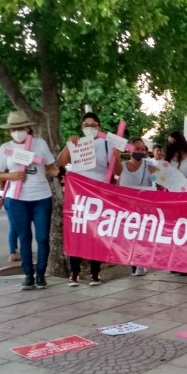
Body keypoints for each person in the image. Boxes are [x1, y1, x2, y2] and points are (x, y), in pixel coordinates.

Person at [0, 110, 58, 290]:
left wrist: (64, 174)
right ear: (9, 131)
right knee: (24, 237)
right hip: (17, 199)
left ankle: (41, 275)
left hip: (41, 198)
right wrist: (12, 175)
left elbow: (50, 168)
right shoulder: (6, 148)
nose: (18, 131)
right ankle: (28, 275)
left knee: (43, 238)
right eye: (14, 129)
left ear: (28, 127)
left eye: (21, 127)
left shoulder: (40, 144)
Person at [57, 112, 116, 286]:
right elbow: (61, 161)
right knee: (77, 231)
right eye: (86, 125)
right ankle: (74, 272)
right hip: (78, 195)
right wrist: (69, 145)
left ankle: (95, 273)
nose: (89, 128)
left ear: (100, 127)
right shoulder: (77, 143)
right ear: (82, 127)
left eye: (93, 125)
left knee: (96, 233)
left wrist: (116, 157)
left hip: (98, 195)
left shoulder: (107, 144)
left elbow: (116, 170)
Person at [118, 137, 155, 276]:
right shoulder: (121, 166)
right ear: (129, 149)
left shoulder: (150, 166)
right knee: (128, 236)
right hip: (126, 208)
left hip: (143, 208)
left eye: (142, 149)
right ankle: (133, 262)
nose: (140, 151)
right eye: (136, 148)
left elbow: (160, 180)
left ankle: (139, 264)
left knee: (140, 236)